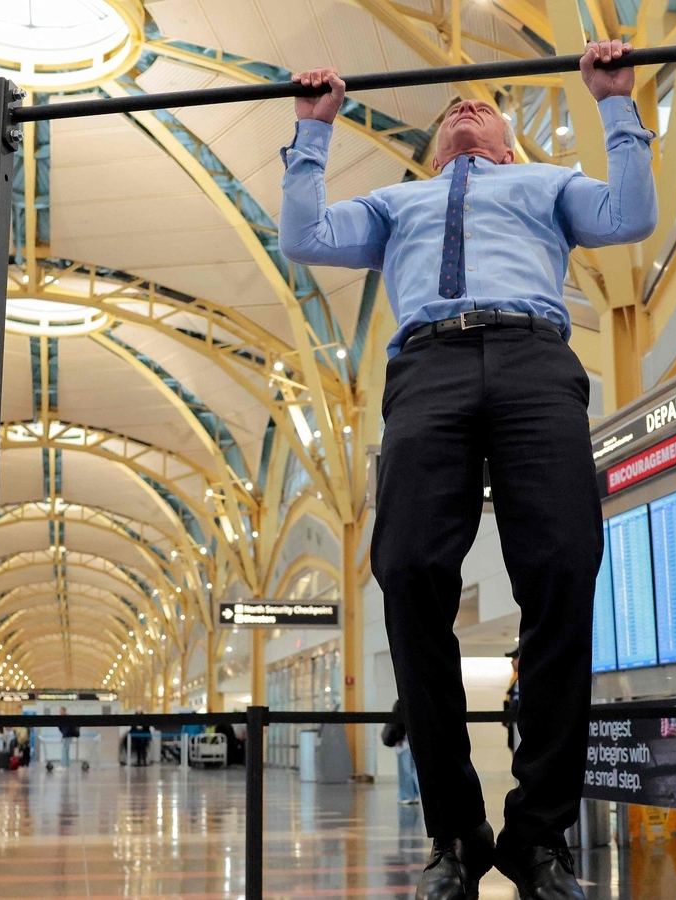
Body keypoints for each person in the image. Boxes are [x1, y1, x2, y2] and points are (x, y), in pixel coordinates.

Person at [280, 40, 654, 900]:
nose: (464, 109)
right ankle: (456, 829)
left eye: (482, 107)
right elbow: (303, 235)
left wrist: (615, 103)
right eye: (452, 110)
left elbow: (630, 214)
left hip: (533, 358)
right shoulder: (395, 202)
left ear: (510, 145)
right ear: (433, 148)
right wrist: (313, 132)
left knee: (562, 568)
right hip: (429, 365)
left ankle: (539, 836)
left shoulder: (549, 183)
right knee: (407, 569)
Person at [382, 700, 421, 805]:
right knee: (407, 769)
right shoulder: (402, 703)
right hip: (404, 741)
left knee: (409, 769)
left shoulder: (403, 702)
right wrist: (399, 737)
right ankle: (407, 795)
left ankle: (410, 794)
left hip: (406, 740)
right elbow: (397, 721)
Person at [503, 649, 521, 753]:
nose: (512, 662)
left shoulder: (522, 679)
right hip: (513, 718)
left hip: (518, 719)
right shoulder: (515, 679)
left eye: (515, 658)